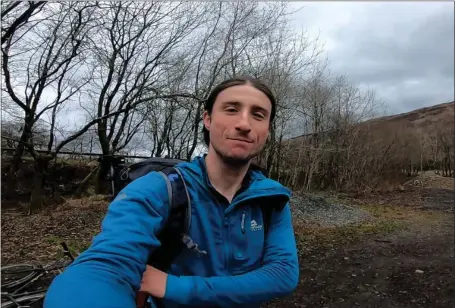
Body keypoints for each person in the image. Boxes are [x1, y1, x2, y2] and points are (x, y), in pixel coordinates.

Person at [44, 76, 299, 308]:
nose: (244, 124)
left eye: (258, 115)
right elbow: (105, 265)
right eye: (231, 110)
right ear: (207, 119)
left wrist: (174, 286)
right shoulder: (159, 188)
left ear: (267, 129)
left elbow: (283, 274)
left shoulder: (271, 198)